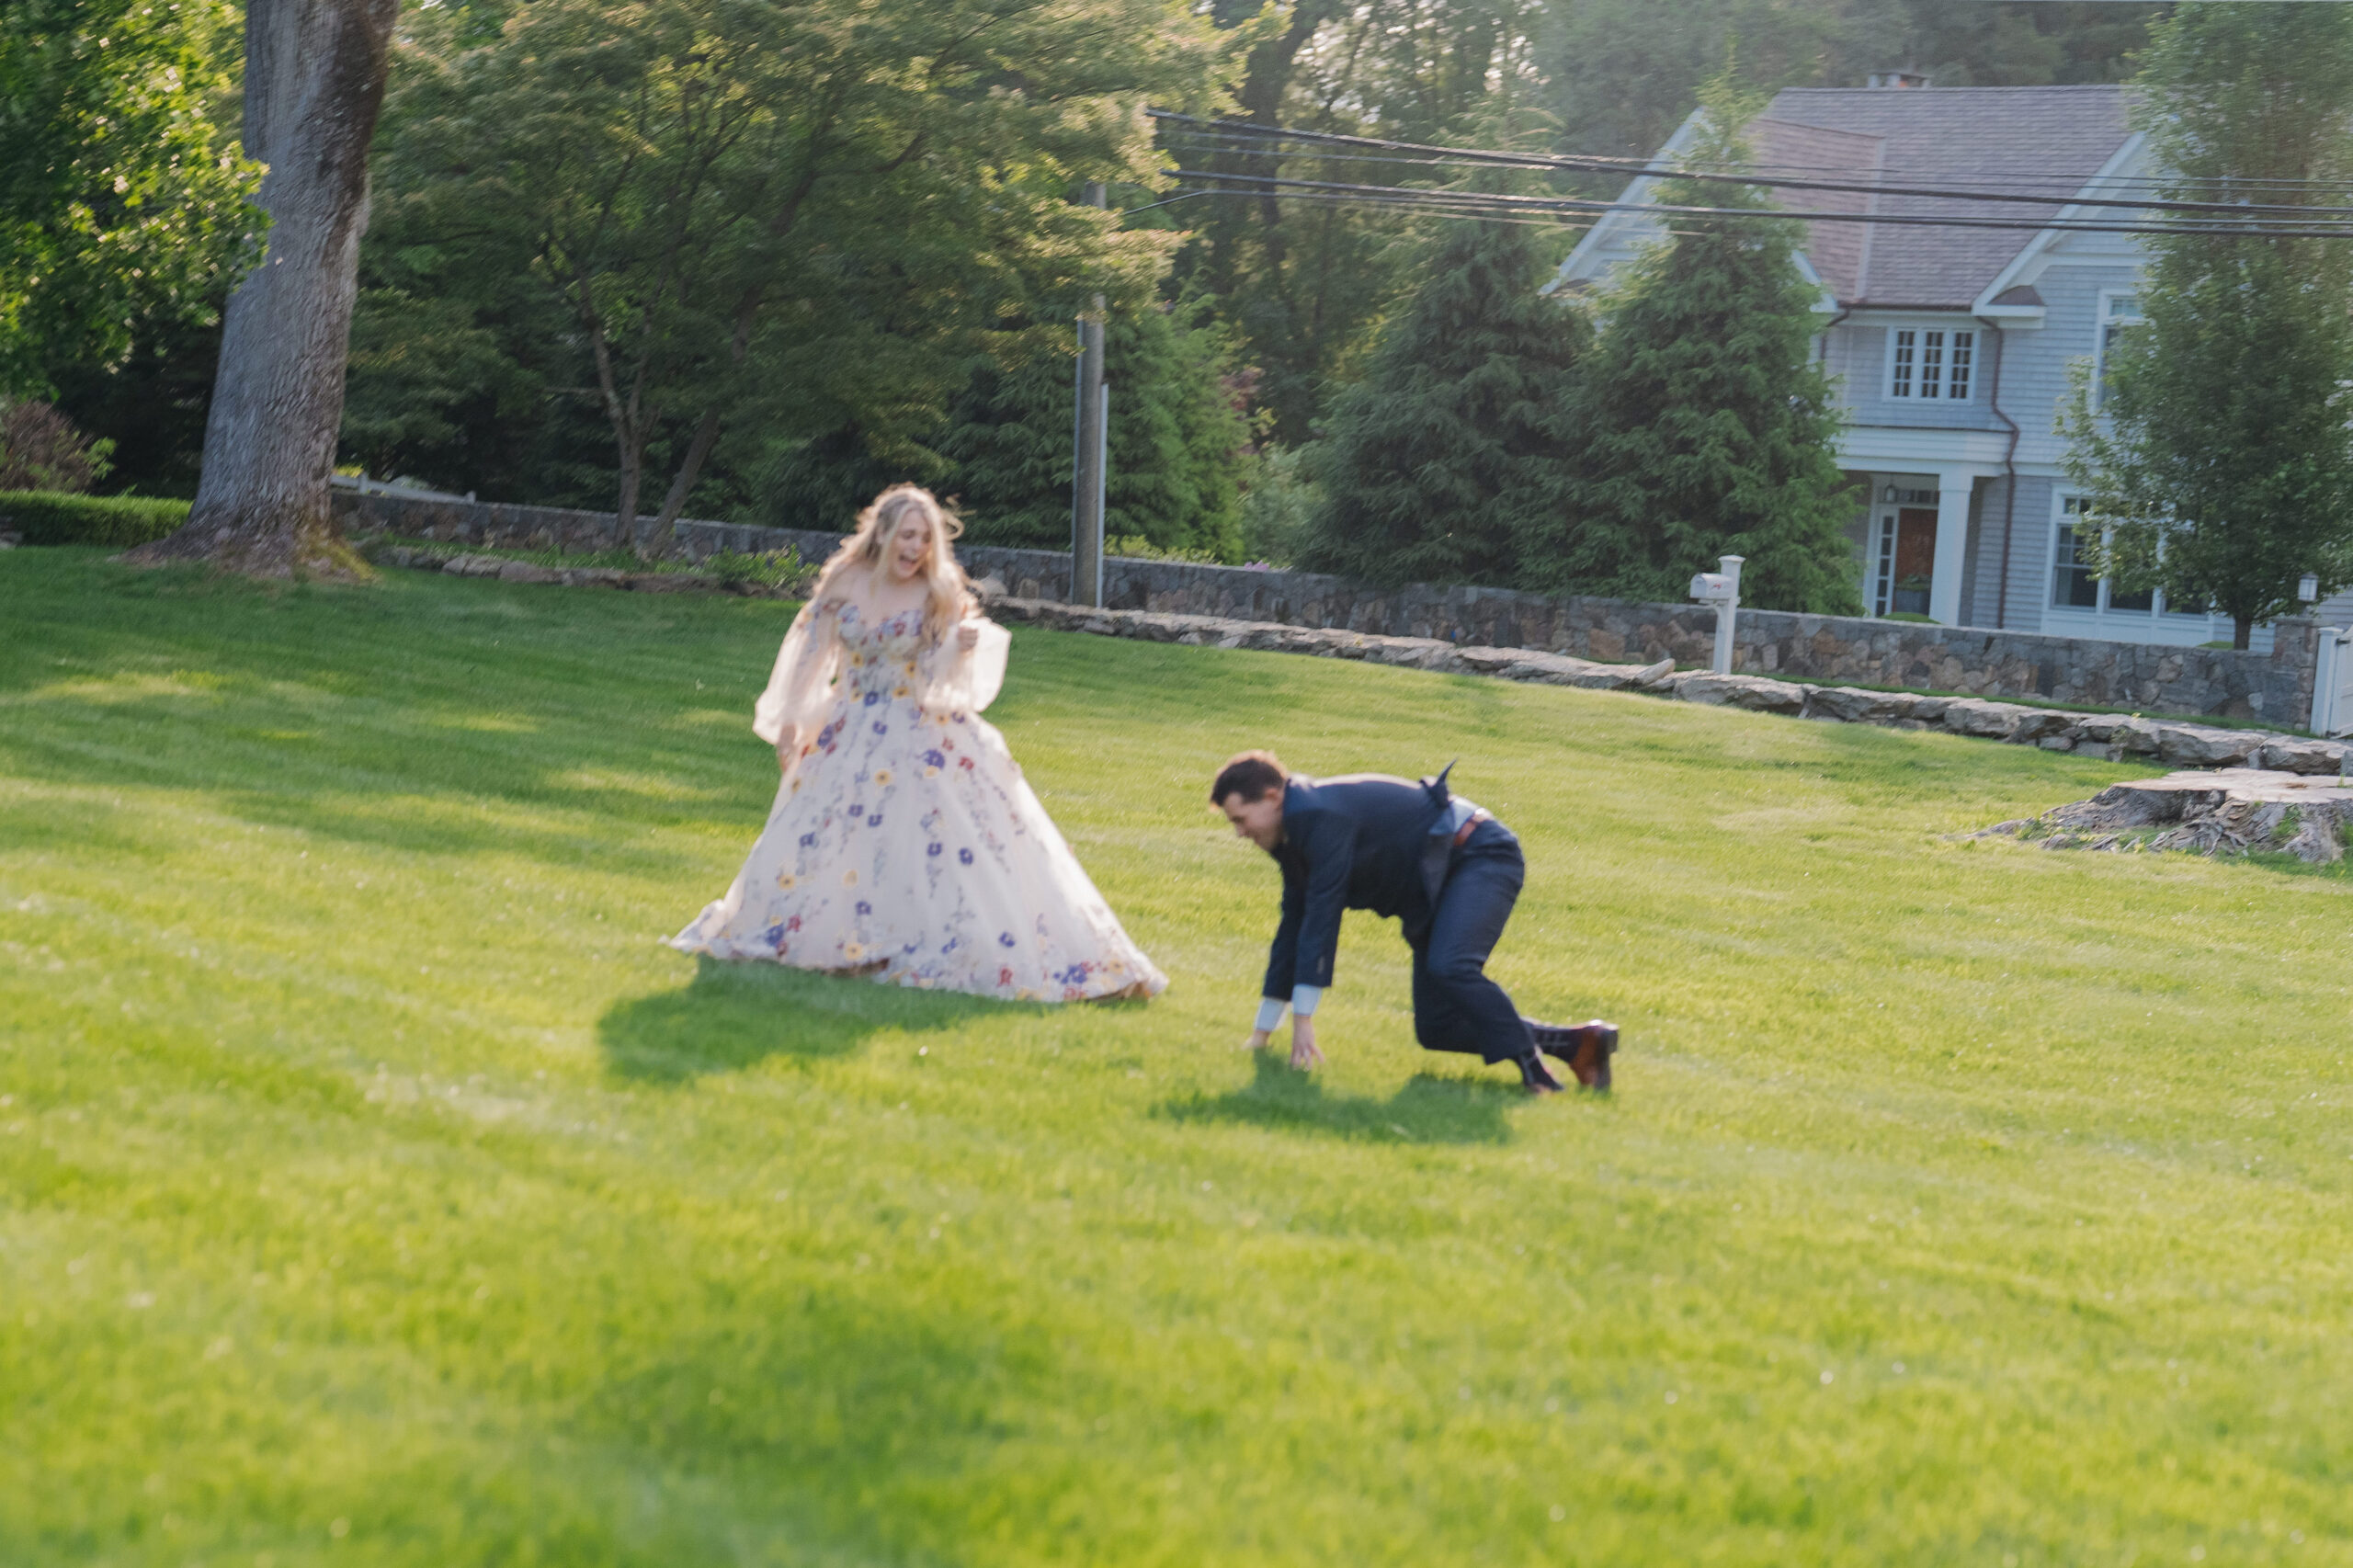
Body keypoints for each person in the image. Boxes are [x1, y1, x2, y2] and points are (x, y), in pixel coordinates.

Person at [672, 484, 1166, 1003]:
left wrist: (962, 644)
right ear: (882, 532)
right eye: (907, 535)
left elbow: (942, 674)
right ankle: (840, 934)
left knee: (932, 841)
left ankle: (930, 938)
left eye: (925, 538)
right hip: (851, 728)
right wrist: (794, 724)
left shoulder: (939, 589)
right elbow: (810, 654)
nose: (915, 548)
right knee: (838, 835)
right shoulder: (845, 579)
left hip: (922, 730)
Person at [1211, 750, 1617, 1095]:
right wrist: (1261, 1037)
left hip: (1479, 855)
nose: (1239, 833)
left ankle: (1537, 1074)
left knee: (1451, 966)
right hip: (1433, 882)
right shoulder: (1289, 836)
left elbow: (1322, 918)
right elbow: (1293, 933)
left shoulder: (1317, 816)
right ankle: (1578, 1044)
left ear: (1272, 796)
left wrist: (1303, 1022)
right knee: (1436, 1027)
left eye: (1240, 820)